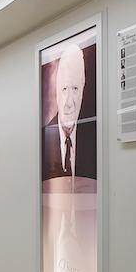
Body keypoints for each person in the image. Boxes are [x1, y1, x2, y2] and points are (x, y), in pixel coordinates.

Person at [43, 44, 96, 181]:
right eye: (65, 89)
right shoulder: (42, 140)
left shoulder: (95, 138)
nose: (69, 103)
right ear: (56, 90)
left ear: (83, 89)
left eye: (75, 89)